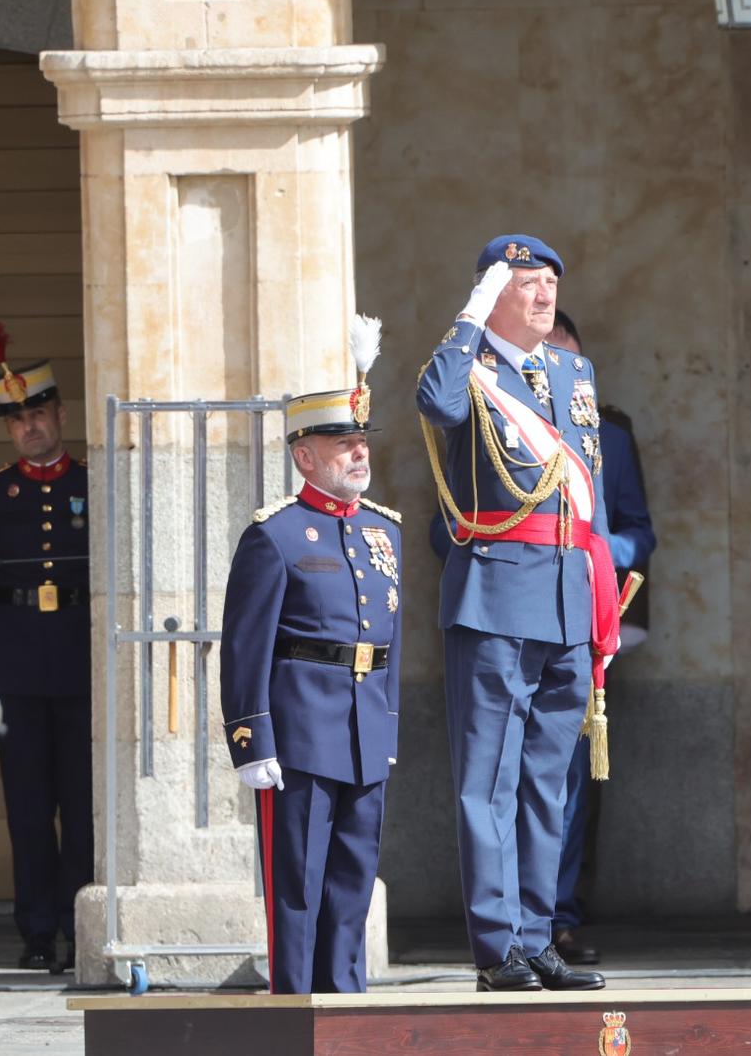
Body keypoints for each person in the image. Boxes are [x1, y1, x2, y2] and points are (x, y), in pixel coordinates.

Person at [417, 235, 611, 993]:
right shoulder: (470, 369)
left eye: (550, 282)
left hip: (566, 591)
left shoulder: (572, 369)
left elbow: (588, 486)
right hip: (497, 590)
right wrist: (467, 317)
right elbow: (433, 404)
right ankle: (497, 946)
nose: (544, 295)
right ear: (493, 291)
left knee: (548, 783)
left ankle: (537, 935)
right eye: (527, 282)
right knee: (489, 781)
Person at [220, 318, 402, 994]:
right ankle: (295, 1007)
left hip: (362, 727)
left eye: (361, 441)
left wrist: (387, 725)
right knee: (297, 881)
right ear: (305, 456)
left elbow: (391, 643)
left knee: (354, 877)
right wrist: (250, 739)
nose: (359, 454)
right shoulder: (276, 536)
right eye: (342, 443)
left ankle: (345, 1004)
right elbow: (245, 646)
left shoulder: (386, 533)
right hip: (298, 733)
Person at [0, 323, 91, 974]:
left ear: (59, 414)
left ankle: (77, 925)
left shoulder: (89, 487)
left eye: (38, 415)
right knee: (29, 811)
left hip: (78, 664)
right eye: (18, 421)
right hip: (12, 665)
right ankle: (37, 931)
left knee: (82, 810)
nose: (30, 428)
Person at [542, 311, 656, 967]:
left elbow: (642, 530)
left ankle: (558, 917)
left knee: (573, 782)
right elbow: (452, 531)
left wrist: (595, 549)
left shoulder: (610, 436)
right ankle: (509, 923)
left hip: (584, 619)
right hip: (509, 618)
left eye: (572, 363)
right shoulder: (490, 432)